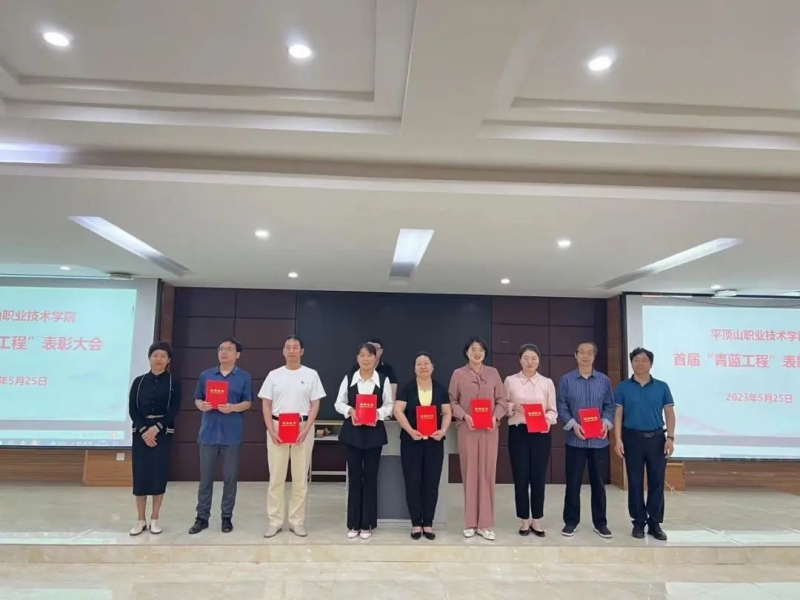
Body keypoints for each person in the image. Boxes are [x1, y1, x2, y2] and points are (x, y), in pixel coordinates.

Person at [259, 335, 325, 538]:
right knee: (276, 478)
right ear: (283, 351)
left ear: (302, 351)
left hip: (303, 428)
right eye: (288, 347)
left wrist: (307, 428)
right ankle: (275, 521)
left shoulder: (311, 374)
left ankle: (297, 521)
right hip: (277, 427)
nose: (291, 350)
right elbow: (266, 404)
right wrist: (271, 430)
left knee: (300, 478)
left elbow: (315, 404)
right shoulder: (274, 375)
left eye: (295, 347)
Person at [189, 338, 253, 534]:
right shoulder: (206, 375)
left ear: (237, 355)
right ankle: (202, 517)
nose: (224, 352)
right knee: (205, 478)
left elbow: (248, 402)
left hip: (231, 434)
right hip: (208, 433)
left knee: (230, 478)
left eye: (229, 349)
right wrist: (202, 405)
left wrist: (233, 408)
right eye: (221, 349)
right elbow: (198, 399)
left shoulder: (244, 376)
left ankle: (226, 517)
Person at [614, 347, 676, 541]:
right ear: (631, 363)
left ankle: (655, 523)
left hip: (657, 439)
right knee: (634, 482)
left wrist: (670, 438)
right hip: (632, 438)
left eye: (644, 360)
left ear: (651, 363)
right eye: (636, 360)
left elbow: (669, 413)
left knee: (657, 482)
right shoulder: (623, 387)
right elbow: (618, 414)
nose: (639, 363)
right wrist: (618, 439)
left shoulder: (662, 387)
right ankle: (638, 522)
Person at [448, 336, 507, 541]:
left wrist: (495, 417)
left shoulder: (493, 373)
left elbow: (502, 401)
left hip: (490, 429)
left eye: (481, 350)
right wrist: (464, 416)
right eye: (473, 349)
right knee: (470, 473)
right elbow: (452, 401)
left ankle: (485, 524)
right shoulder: (458, 374)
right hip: (468, 428)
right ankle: (471, 523)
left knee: (487, 474)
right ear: (467, 352)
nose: (477, 353)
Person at [557, 342, 615, 539]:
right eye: (581, 352)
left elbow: (609, 406)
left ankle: (600, 523)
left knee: (599, 484)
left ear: (594, 356)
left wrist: (605, 424)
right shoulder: (566, 380)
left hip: (599, 441)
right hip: (575, 440)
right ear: (575, 355)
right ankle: (571, 521)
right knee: (573, 483)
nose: (585, 356)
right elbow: (562, 406)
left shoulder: (604, 381)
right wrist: (573, 425)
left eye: (590, 353)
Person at [335, 342, 394, 539]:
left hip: (374, 434)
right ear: (357, 358)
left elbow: (389, 406)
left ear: (376, 358)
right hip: (353, 433)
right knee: (354, 478)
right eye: (362, 355)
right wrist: (350, 410)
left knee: (370, 478)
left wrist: (377, 413)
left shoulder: (383, 380)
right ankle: (353, 524)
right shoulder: (349, 378)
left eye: (369, 355)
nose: (366, 359)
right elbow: (338, 403)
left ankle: (367, 523)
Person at [394, 352, 452, 540]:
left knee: (431, 483)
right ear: (414, 368)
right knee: (412, 482)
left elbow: (447, 412)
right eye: (419, 364)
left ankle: (428, 523)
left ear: (433, 367)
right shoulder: (407, 388)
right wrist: (410, 430)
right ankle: (416, 524)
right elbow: (398, 410)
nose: (423, 367)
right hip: (411, 442)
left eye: (426, 363)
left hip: (434, 443)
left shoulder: (440, 389)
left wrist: (442, 430)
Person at [128, 342, 181, 536]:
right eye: (155, 355)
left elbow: (174, 409)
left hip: (163, 434)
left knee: (159, 475)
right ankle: (140, 519)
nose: (159, 359)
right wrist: (145, 430)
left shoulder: (173, 383)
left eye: (163, 356)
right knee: (141, 476)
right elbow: (132, 409)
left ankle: (155, 518)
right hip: (141, 434)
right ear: (149, 358)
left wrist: (156, 428)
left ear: (168, 360)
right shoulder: (139, 381)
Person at [504, 343, 556, 537]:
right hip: (519, 432)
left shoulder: (547, 382)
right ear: (520, 360)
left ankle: (537, 520)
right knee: (520, 476)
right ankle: (524, 519)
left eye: (533, 358)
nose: (530, 362)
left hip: (541, 434)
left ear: (538, 360)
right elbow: (503, 405)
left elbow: (552, 410)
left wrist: (546, 419)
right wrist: (513, 407)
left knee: (538, 477)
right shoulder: (510, 381)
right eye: (526, 358)